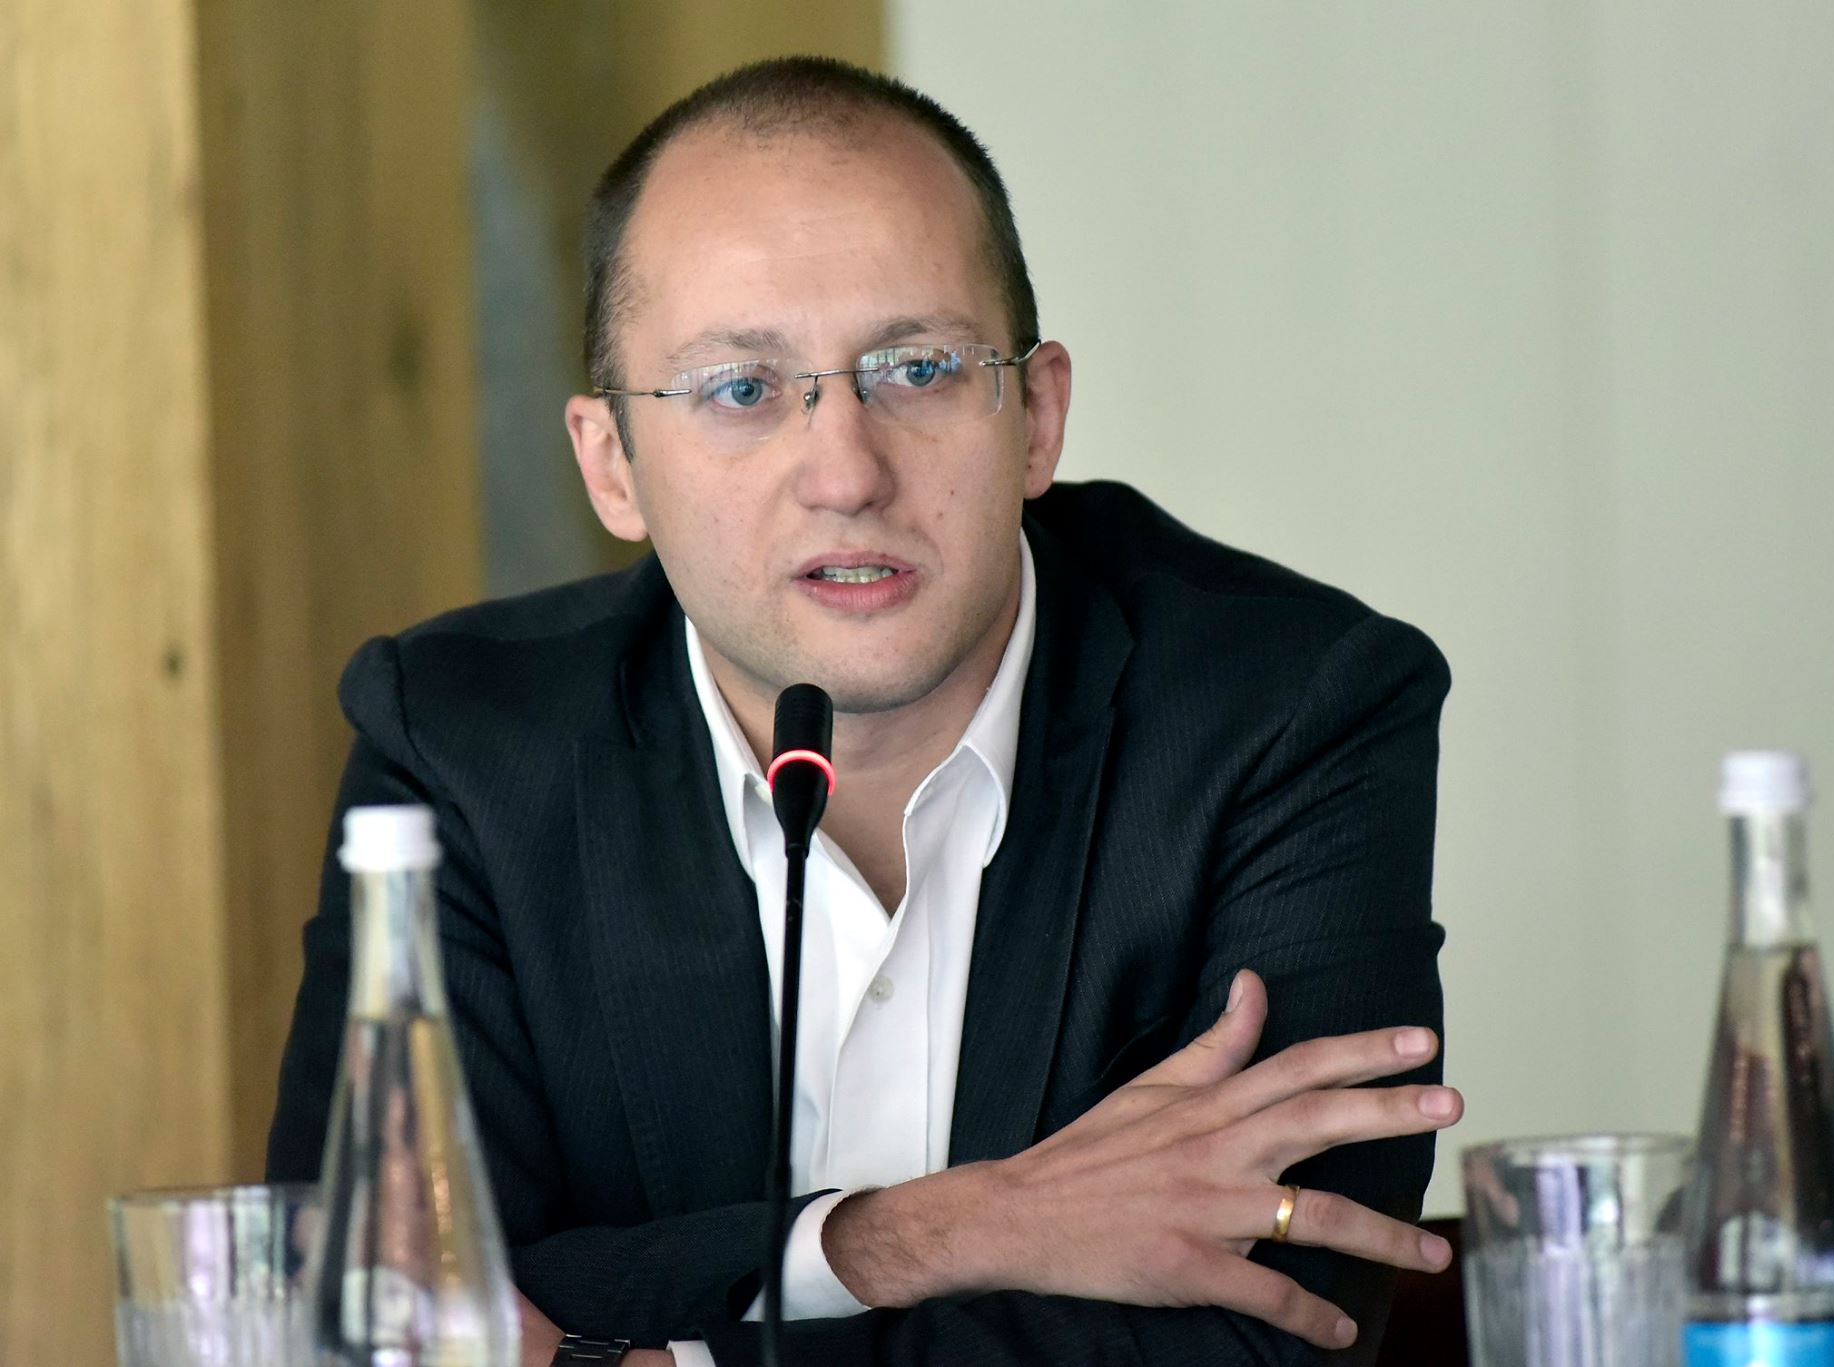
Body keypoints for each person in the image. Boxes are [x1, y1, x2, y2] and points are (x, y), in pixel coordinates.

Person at [267, 56, 1460, 1367]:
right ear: (613, 466)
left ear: (1037, 416)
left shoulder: (1289, 710)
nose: (844, 473)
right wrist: (955, 1227)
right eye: (741, 389)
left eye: (919, 369)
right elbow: (383, 1304)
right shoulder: (460, 749)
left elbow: (1273, 1329)